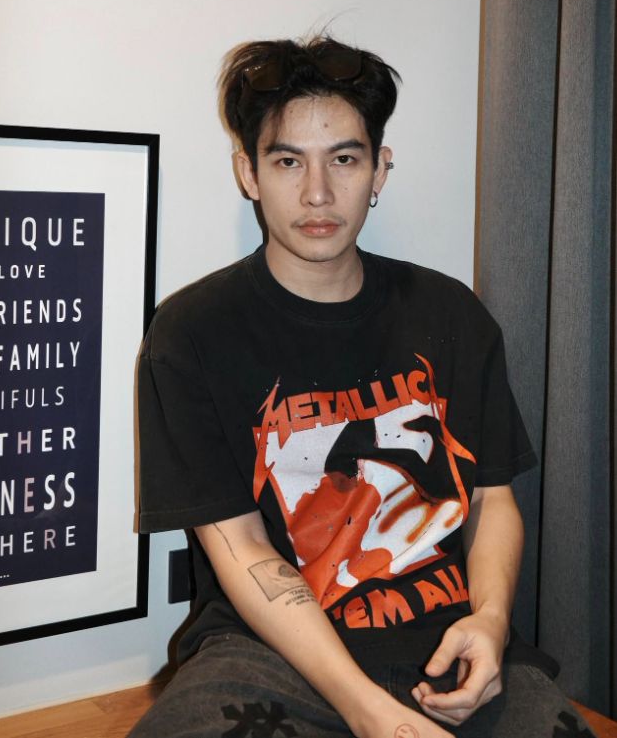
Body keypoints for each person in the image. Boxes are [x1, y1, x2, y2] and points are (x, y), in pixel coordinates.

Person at [129, 37, 593, 738]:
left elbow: (490, 497)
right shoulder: (193, 333)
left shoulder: (449, 314)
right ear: (248, 173)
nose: (317, 193)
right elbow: (242, 548)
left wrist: (492, 621)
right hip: (269, 653)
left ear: (380, 169)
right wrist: (369, 710)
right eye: (288, 161)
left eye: (344, 159)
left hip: (446, 639)